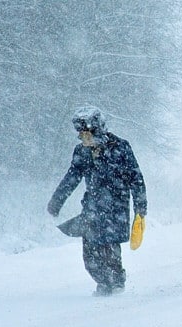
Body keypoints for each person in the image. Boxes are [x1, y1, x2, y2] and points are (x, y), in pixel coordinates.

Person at [47, 106, 147, 296]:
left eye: (87, 134)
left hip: (116, 208)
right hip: (91, 208)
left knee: (109, 249)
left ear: (98, 130)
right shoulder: (81, 152)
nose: (83, 138)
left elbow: (136, 179)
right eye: (81, 135)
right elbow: (72, 177)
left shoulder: (121, 148)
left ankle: (116, 282)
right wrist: (56, 201)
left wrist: (140, 208)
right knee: (90, 255)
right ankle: (102, 282)